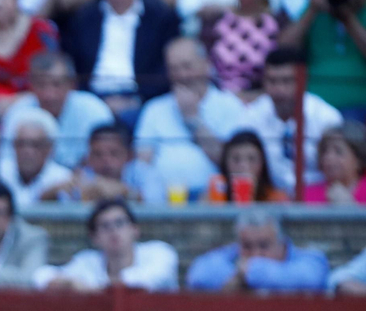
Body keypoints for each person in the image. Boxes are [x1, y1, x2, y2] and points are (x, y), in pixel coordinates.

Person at [133, 36, 247, 196]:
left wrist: (193, 119)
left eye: (187, 66)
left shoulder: (230, 106)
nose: (182, 75)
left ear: (206, 65)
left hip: (215, 200)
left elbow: (232, 163)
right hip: (164, 199)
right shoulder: (154, 109)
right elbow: (142, 164)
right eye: (174, 69)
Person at [62, 0, 183, 109]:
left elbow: (163, 68)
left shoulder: (160, 18)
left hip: (143, 100)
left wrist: (139, 99)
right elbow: (73, 64)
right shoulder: (83, 18)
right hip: (91, 100)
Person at [237, 45, 342, 190]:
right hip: (267, 197)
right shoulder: (251, 117)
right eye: (272, 81)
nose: (279, 89)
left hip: (318, 197)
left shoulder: (327, 118)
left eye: (287, 81)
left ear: (303, 81)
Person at [0, 51, 114, 169]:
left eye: (56, 84)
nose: (49, 94)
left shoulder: (94, 110)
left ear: (71, 84)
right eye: (41, 85)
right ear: (31, 85)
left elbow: (110, 158)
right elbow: (6, 163)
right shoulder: (17, 113)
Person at [37, 197, 179, 289]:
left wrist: (90, 288)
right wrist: (68, 283)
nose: (113, 230)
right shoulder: (87, 261)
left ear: (135, 229)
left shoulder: (160, 252)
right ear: (94, 238)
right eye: (105, 226)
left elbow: (143, 282)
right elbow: (40, 276)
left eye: (120, 223)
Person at [277, 0, 366, 117]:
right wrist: (311, 11)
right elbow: (283, 49)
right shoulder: (316, 11)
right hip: (314, 101)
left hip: (358, 100)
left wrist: (348, 19)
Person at [186, 207, 330, 290]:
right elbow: (198, 275)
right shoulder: (232, 253)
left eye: (264, 245)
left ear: (281, 244)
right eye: (247, 246)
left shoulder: (310, 260)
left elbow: (311, 278)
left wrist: (246, 274)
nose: (255, 254)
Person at [201, 0, 286, 97]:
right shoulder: (217, 20)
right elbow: (204, 64)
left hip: (262, 98)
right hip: (218, 96)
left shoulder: (277, 22)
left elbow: (282, 70)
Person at [47, 121, 170, 200]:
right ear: (88, 158)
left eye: (114, 153)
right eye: (98, 154)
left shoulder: (145, 172)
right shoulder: (79, 177)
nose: (106, 160)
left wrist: (125, 192)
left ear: (129, 156)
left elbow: (156, 204)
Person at [0, 107, 75, 204]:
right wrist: (43, 197)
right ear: (13, 146)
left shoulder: (63, 178)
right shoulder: (0, 173)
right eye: (21, 144)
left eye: (35, 145)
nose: (27, 151)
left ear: (49, 149)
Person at [205, 127, 289, 199]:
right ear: (225, 162)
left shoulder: (277, 200)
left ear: (262, 163)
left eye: (251, 159)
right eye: (236, 159)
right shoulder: (212, 198)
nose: (243, 166)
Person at [303, 122, 366, 202]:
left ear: (359, 159)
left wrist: (349, 205)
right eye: (325, 151)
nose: (328, 157)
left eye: (338, 152)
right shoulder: (307, 193)